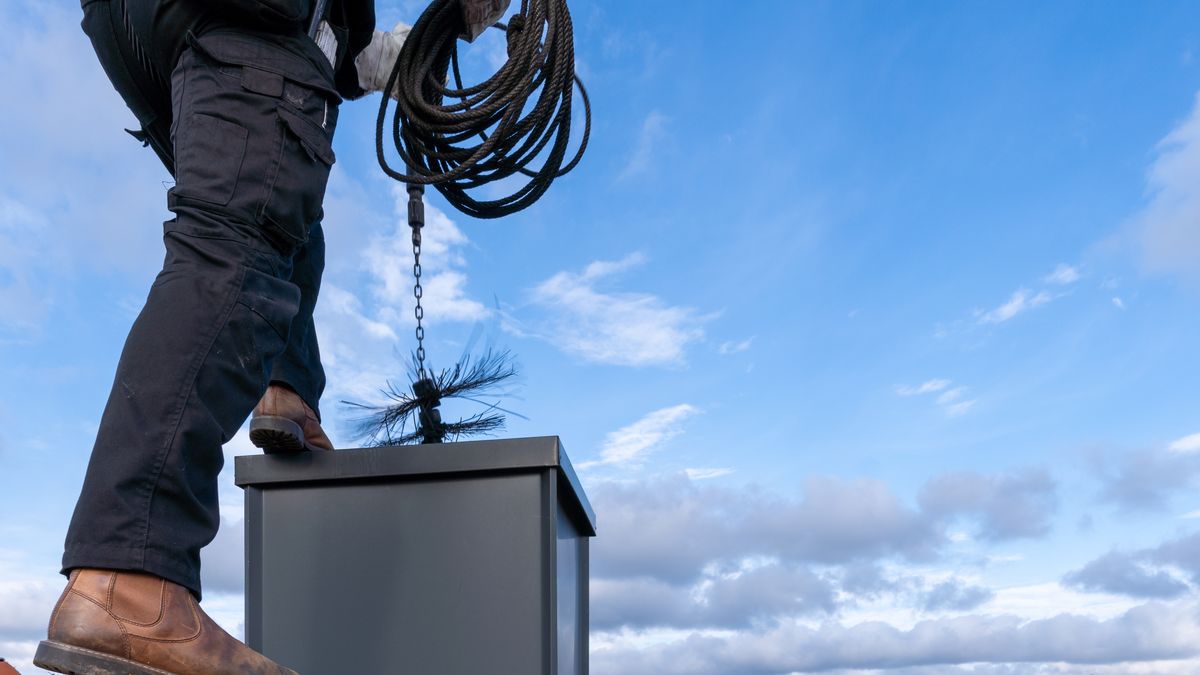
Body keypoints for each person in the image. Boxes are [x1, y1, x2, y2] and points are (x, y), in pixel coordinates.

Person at [34, 1, 407, 672]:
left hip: (136, 22)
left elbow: (333, 48)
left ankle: (286, 390)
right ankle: (128, 578)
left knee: (271, 198)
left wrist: (403, 52)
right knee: (234, 245)